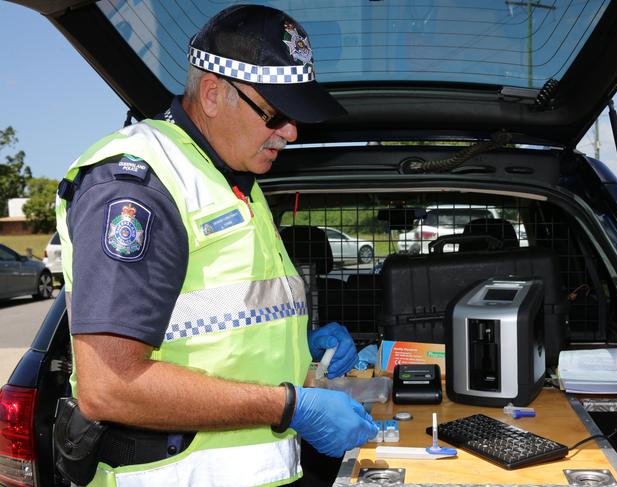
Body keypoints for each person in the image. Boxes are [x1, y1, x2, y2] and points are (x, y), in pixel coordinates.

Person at [55, 4, 378, 486]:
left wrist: (300, 357)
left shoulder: (238, 181)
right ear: (211, 93)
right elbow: (111, 386)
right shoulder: (139, 185)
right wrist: (291, 405)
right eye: (275, 115)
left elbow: (213, 332)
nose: (290, 133)